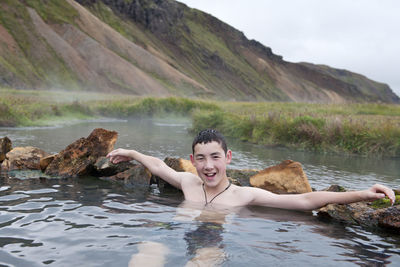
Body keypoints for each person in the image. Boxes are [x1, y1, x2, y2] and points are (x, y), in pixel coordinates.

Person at [107, 129, 396, 210]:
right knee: (145, 256)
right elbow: (158, 166)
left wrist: (363, 194)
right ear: (192, 161)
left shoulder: (244, 196)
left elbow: (305, 200)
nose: (209, 166)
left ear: (228, 157)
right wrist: (131, 152)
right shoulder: (187, 182)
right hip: (172, 230)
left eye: (215, 157)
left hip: (211, 240)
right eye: (201, 159)